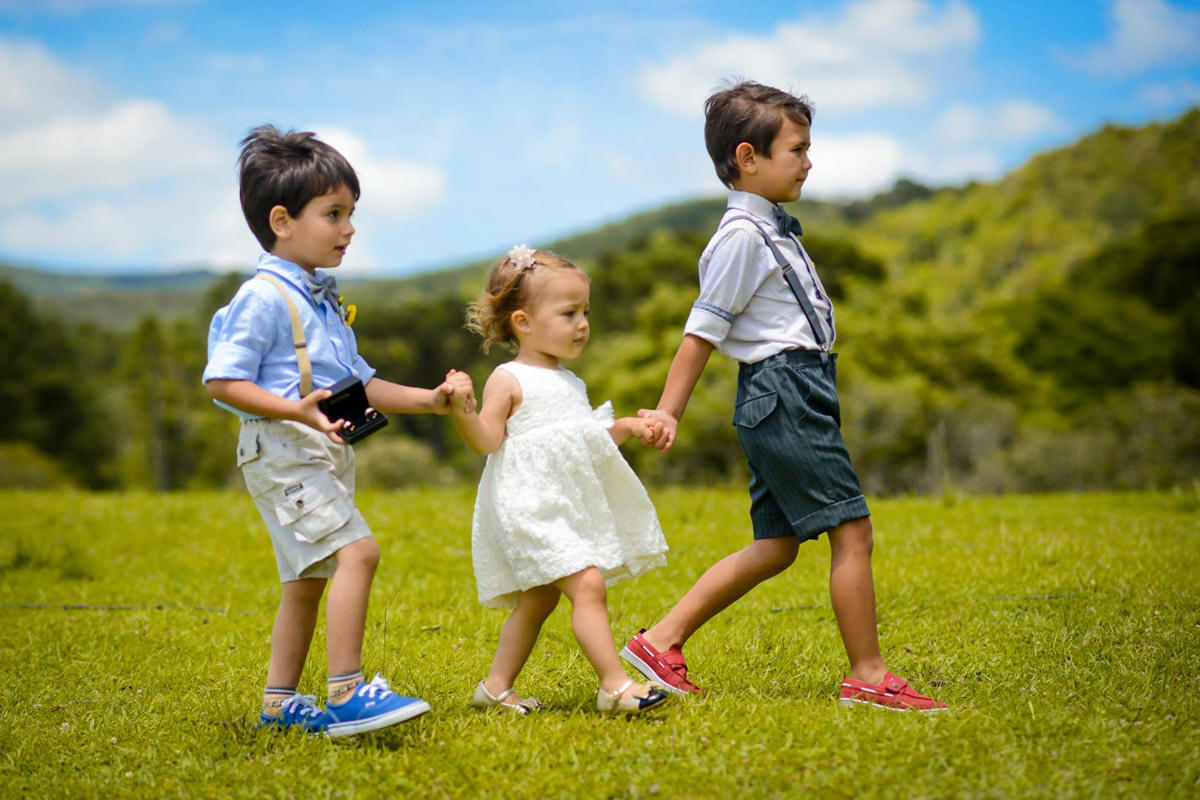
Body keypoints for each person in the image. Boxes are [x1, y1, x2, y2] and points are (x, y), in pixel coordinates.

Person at [621, 81, 947, 712]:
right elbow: (700, 333)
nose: (808, 161)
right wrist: (668, 410)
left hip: (793, 389)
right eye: (797, 149)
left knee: (777, 545)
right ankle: (869, 676)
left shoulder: (767, 229)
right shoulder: (742, 236)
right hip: (784, 390)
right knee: (853, 531)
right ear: (749, 157)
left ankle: (661, 641)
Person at [203, 124, 473, 736]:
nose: (349, 228)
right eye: (334, 213)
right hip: (282, 450)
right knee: (359, 551)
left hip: (318, 453)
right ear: (282, 221)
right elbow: (222, 381)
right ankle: (348, 692)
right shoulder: (264, 297)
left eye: (352, 213)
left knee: (308, 576)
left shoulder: (323, 301)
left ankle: (279, 702)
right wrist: (293, 410)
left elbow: (361, 386)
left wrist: (431, 400)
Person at [444, 244, 671, 715]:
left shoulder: (571, 382)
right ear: (523, 322)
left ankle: (494, 688)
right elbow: (487, 440)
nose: (582, 323)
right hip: (528, 506)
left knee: (538, 600)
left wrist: (626, 427)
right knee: (588, 585)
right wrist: (462, 410)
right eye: (568, 313)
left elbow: (581, 442)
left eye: (585, 311)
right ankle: (614, 686)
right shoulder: (508, 379)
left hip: (563, 507)